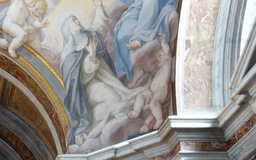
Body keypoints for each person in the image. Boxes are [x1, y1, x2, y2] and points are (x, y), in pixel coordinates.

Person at [60, 5, 142, 145]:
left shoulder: (90, 35)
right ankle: (89, 131)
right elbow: (79, 78)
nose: (78, 21)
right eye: (74, 20)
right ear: (68, 28)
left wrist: (99, 8)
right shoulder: (69, 54)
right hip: (88, 89)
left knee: (118, 97)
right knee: (112, 96)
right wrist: (91, 56)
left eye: (77, 19)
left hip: (105, 76)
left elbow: (100, 26)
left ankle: (104, 125)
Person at [111, 0, 177, 87]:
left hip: (158, 5)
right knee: (123, 34)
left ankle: (139, 37)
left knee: (150, 2)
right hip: (138, 6)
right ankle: (136, 69)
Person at [127, 35, 171, 132]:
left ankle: (159, 119)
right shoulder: (158, 71)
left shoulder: (167, 65)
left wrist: (163, 43)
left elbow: (167, 52)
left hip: (161, 92)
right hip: (152, 92)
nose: (158, 59)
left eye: (160, 56)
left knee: (154, 103)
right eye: (156, 59)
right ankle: (136, 111)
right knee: (141, 96)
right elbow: (150, 82)